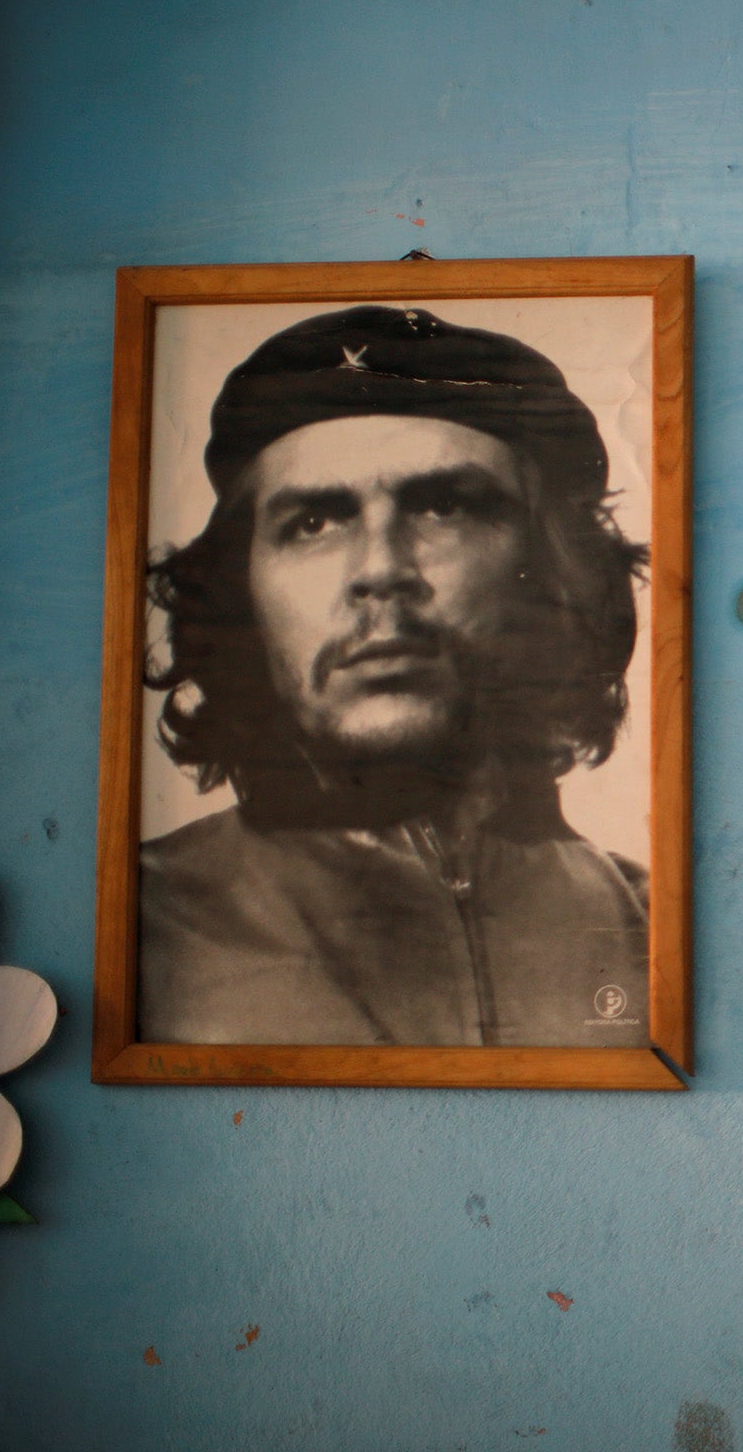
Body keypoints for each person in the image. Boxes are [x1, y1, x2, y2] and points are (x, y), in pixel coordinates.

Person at [137, 305, 651, 1047]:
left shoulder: (652, 927)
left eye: (445, 507)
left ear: (555, 572)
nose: (380, 571)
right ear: (238, 590)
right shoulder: (139, 922)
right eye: (313, 522)